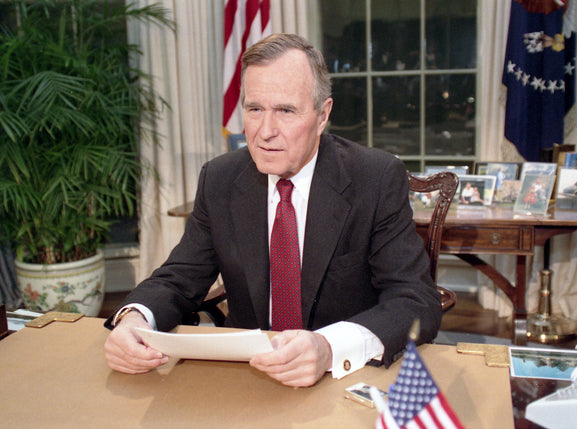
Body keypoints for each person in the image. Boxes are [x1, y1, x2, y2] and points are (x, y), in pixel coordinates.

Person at [103, 33, 441, 387]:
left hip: (342, 377)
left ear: (322, 115)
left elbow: (416, 301)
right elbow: (178, 278)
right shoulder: (220, 179)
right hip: (247, 377)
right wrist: (134, 320)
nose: (265, 132)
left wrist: (328, 346)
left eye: (285, 110)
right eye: (254, 109)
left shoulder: (375, 178)